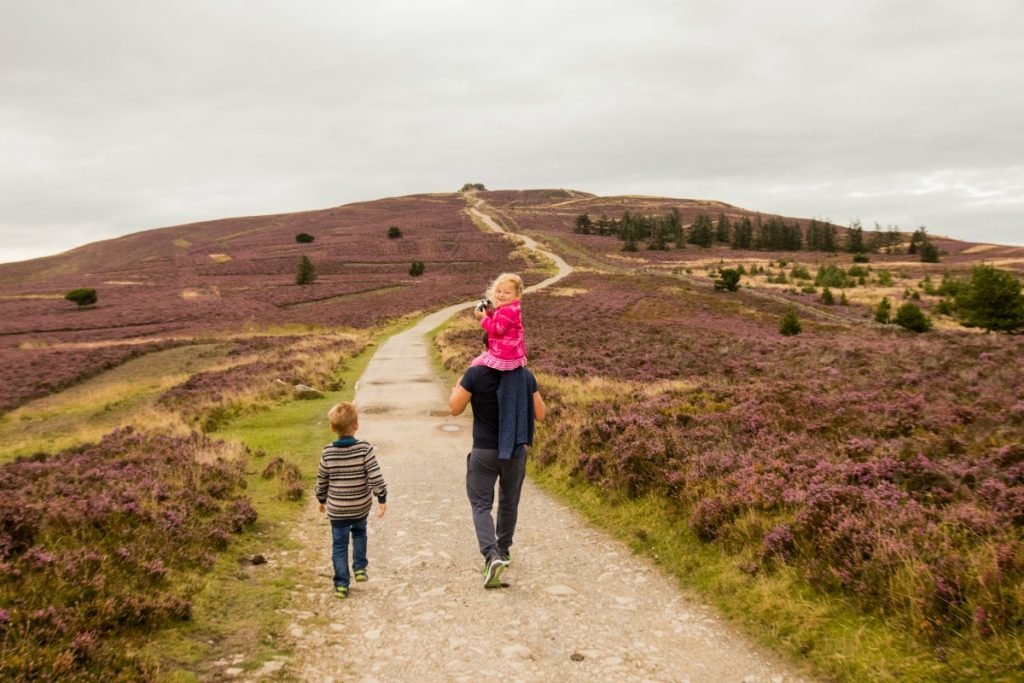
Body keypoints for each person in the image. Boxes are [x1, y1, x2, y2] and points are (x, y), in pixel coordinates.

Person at [450, 356, 546, 588]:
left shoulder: (475, 374)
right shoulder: (525, 376)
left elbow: (454, 408)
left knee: (481, 505)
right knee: (509, 502)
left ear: (487, 347)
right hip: (514, 451)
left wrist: (457, 387)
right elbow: (541, 414)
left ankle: (491, 556)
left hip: (484, 451)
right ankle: (503, 550)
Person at [315, 401, 388, 600]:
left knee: (339, 546)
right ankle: (360, 568)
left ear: (332, 428)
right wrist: (381, 497)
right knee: (359, 533)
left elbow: (322, 479)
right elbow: (375, 475)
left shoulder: (327, 452)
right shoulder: (364, 448)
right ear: (357, 425)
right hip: (359, 506)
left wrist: (321, 499)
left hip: (337, 509)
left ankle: (341, 584)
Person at [470, 272, 527, 370]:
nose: (501, 295)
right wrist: (489, 313)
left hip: (504, 355)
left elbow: (498, 330)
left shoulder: (508, 310)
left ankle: (470, 382)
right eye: (499, 291)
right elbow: (501, 323)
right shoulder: (509, 308)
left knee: (475, 363)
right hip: (510, 352)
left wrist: (483, 318)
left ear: (517, 295)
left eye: (507, 292)